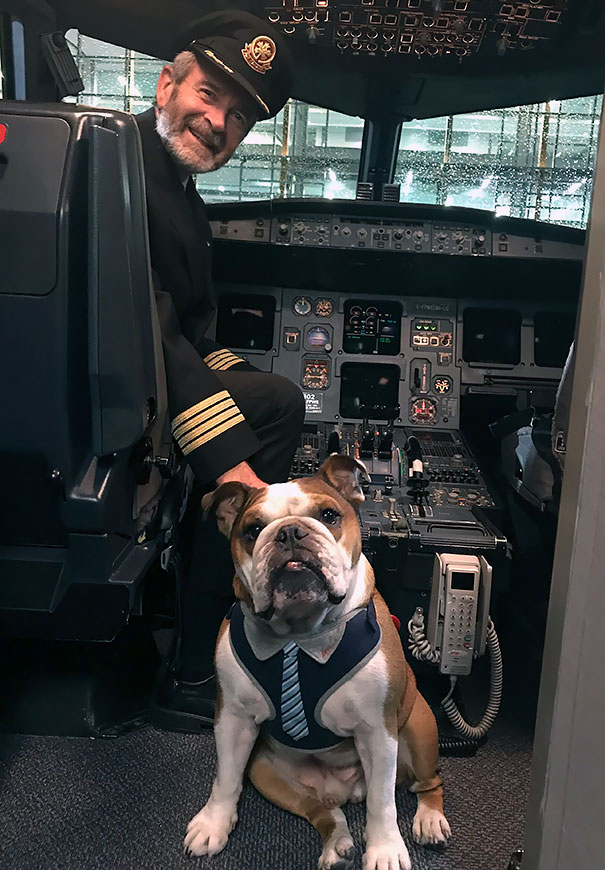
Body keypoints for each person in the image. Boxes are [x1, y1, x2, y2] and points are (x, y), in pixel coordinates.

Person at [134, 11, 305, 731]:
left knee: (271, 397)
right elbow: (147, 324)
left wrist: (245, 385)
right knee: (273, 411)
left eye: (237, 118)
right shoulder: (124, 173)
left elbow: (195, 330)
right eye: (209, 95)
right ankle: (193, 668)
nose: (217, 122)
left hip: (134, 365)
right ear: (168, 83)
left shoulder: (168, 181)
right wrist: (232, 461)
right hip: (124, 379)